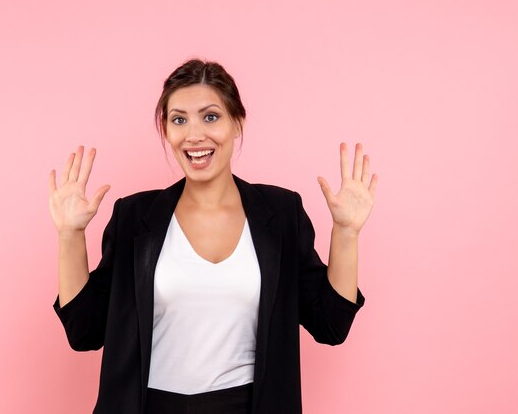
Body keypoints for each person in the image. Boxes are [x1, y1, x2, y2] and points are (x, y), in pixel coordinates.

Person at [49, 59, 377, 414]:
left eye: (210, 116)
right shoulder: (134, 217)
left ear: (237, 123)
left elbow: (331, 325)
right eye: (179, 120)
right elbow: (84, 332)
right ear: (166, 129)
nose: (194, 135)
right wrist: (70, 235)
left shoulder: (280, 213)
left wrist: (346, 232)